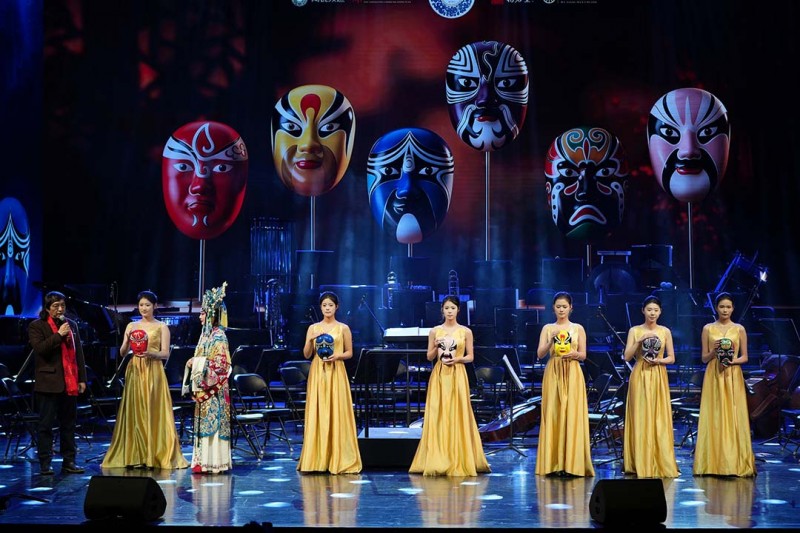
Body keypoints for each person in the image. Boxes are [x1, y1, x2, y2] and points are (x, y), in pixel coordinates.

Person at [101, 290, 189, 469]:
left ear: (154, 306)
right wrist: (127, 340)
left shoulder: (161, 327)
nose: (144, 308)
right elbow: (122, 353)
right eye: (141, 305)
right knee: (136, 409)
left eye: (147, 305)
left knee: (151, 408)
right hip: (135, 369)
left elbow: (165, 354)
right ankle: (136, 454)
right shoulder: (131, 326)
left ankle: (153, 454)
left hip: (153, 369)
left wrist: (151, 353)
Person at [409, 295, 490, 476]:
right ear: (442, 310)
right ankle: (439, 457)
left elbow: (470, 357)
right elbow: (429, 356)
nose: (450, 311)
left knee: (458, 412)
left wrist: (458, 359)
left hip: (458, 373)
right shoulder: (435, 331)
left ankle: (459, 457)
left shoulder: (465, 331)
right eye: (446, 308)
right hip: (439, 374)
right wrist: (434, 345)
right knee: (439, 412)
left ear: (458, 310)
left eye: (453, 308)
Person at [297, 291, 362, 474]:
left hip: (336, 371)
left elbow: (349, 353)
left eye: (330, 305)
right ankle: (317, 458)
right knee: (319, 410)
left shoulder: (343, 328)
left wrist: (337, 356)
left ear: (336, 307)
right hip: (318, 372)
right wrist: (310, 339)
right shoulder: (313, 328)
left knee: (336, 410)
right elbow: (307, 354)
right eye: (324, 305)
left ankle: (338, 456)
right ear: (320, 307)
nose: (327, 308)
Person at [694, 292, 756, 477]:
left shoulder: (739, 329)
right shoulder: (708, 328)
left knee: (733, 414)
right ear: (716, 308)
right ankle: (712, 463)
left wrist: (731, 361)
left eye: (728, 307)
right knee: (714, 414)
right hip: (713, 374)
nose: (725, 310)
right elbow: (704, 358)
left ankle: (734, 462)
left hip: (732, 374)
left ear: (733, 308)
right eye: (722, 307)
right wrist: (714, 351)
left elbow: (745, 357)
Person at [27, 291, 88, 475]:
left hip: (69, 382)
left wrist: (82, 379)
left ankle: (69, 461)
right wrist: (59, 335)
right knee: (45, 425)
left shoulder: (72, 325)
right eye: (56, 306)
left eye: (62, 305)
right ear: (47, 308)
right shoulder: (37, 326)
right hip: (48, 383)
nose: (60, 309)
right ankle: (45, 463)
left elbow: (78, 354)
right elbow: (40, 349)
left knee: (68, 424)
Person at [535, 291, 594, 477]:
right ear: (553, 308)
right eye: (558, 306)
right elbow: (540, 354)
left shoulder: (578, 328)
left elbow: (583, 354)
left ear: (571, 308)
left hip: (573, 371)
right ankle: (553, 463)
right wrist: (551, 340)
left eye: (565, 307)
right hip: (554, 371)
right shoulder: (548, 328)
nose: (561, 310)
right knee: (554, 413)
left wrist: (575, 354)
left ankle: (572, 463)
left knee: (572, 414)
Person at [622, 295, 680, 478]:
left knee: (658, 416)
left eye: (655, 310)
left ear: (660, 312)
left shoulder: (665, 331)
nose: (652, 313)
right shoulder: (635, 330)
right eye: (649, 310)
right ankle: (640, 461)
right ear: (643, 311)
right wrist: (639, 340)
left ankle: (659, 460)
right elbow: (626, 356)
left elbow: (672, 358)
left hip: (658, 374)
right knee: (640, 416)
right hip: (640, 374)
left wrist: (659, 361)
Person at [186, 282, 232, 474]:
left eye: (203, 313)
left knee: (214, 424)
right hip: (204, 387)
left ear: (212, 315)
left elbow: (221, 366)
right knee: (203, 423)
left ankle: (214, 463)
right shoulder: (205, 336)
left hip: (215, 390)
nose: (200, 316)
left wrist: (196, 363)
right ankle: (203, 462)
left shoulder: (218, 336)